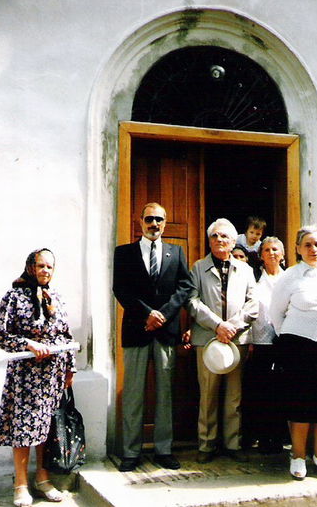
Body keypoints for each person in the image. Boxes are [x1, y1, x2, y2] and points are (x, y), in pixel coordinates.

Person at [113, 202, 193, 472]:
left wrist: (164, 314)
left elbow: (186, 286)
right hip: (137, 331)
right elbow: (121, 289)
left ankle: (163, 449)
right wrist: (147, 314)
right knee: (134, 395)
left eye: (159, 219)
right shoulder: (124, 253)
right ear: (140, 221)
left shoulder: (176, 252)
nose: (154, 224)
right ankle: (131, 453)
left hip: (166, 333)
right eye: (149, 219)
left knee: (165, 395)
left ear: (166, 222)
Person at [0, 248, 76, 507]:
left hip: (52, 376)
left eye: (50, 267)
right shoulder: (14, 296)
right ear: (31, 267)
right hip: (25, 376)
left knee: (47, 427)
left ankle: (43, 479)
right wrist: (29, 344)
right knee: (23, 428)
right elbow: (1, 336)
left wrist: (69, 369)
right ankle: (20, 484)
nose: (45, 271)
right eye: (40, 266)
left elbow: (65, 333)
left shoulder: (56, 297)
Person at [270, 225, 317, 480]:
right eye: (308, 245)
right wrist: (292, 338)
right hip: (299, 345)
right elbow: (276, 314)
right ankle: (298, 456)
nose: (314, 249)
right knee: (300, 401)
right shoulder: (290, 276)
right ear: (298, 249)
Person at [188, 218, 258, 463]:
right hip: (207, 340)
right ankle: (206, 445)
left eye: (224, 237)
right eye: (215, 236)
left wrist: (232, 326)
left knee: (234, 396)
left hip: (235, 340)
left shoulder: (246, 270)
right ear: (209, 240)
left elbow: (253, 305)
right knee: (208, 394)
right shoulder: (197, 268)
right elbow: (192, 302)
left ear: (232, 242)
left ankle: (232, 444)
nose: (219, 240)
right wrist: (217, 325)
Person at [244, 236, 287, 454]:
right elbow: (250, 311)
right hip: (260, 342)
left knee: (281, 391)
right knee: (261, 391)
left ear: (283, 254)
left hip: (284, 343)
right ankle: (263, 438)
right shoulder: (254, 281)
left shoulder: (289, 279)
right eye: (267, 250)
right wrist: (251, 340)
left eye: (275, 249)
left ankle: (278, 437)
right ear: (261, 256)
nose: (271, 253)